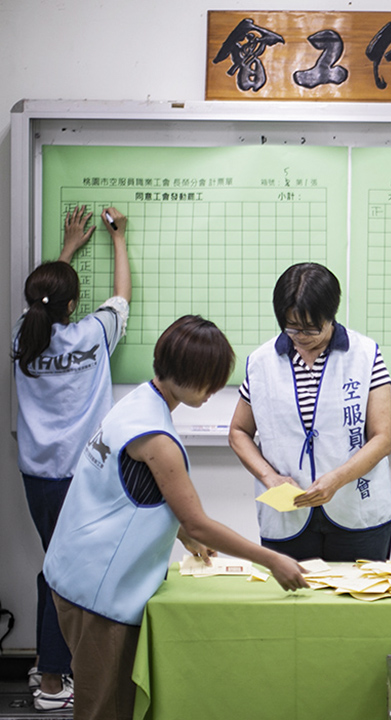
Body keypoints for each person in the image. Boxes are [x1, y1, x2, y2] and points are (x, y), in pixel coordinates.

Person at [43, 315, 308, 720]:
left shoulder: (133, 403)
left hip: (71, 570)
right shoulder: (158, 439)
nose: (213, 391)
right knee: (105, 709)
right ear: (186, 375)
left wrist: (181, 533)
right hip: (98, 595)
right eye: (209, 381)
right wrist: (272, 560)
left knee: (106, 703)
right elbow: (200, 520)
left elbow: (126, 490)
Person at [12, 205, 130, 710]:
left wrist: (65, 252)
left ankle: (49, 668)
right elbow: (122, 297)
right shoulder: (93, 335)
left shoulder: (24, 337)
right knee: (64, 573)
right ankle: (56, 683)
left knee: (54, 565)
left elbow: (43, 300)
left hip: (36, 475)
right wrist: (118, 240)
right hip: (78, 477)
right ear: (73, 305)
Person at [229, 262, 391, 562]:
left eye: (310, 328)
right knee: (293, 607)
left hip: (357, 512)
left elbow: (382, 438)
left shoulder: (365, 354)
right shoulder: (261, 362)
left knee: (357, 605)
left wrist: (337, 479)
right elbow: (239, 432)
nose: (300, 336)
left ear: (330, 316)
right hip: (287, 514)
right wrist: (269, 477)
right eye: (291, 327)